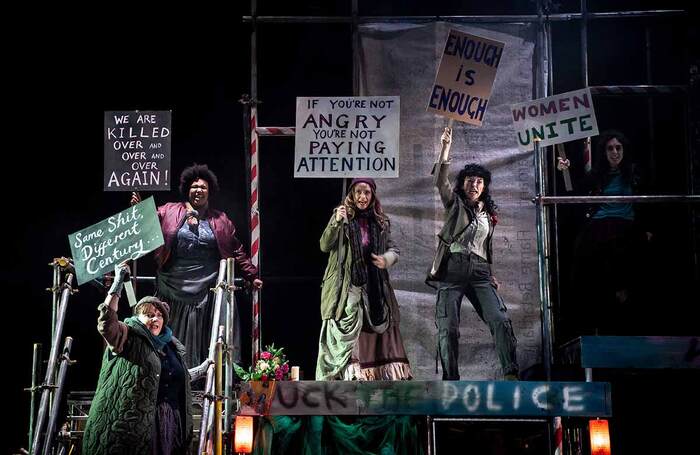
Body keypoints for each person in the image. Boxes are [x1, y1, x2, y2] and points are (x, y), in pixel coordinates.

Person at [132, 163, 262, 368]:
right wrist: (138, 211)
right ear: (187, 190)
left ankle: (203, 379)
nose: (198, 190)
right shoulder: (168, 211)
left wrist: (251, 275)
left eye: (203, 187)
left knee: (206, 335)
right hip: (173, 284)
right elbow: (145, 226)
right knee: (169, 335)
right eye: (194, 187)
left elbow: (236, 249)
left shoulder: (221, 220)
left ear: (210, 191)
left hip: (207, 287)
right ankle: (168, 374)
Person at [427, 127, 519, 380]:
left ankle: (511, 373)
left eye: (479, 182)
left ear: (484, 187)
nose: (474, 185)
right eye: (470, 181)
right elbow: (439, 181)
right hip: (452, 268)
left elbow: (484, 247)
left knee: (500, 319)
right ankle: (451, 381)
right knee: (449, 329)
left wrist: (490, 273)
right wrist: (445, 147)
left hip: (479, 271)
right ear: (463, 184)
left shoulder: (488, 214)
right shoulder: (455, 204)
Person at [83, 264, 199, 455]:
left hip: (169, 425)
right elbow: (107, 322)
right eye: (150, 315)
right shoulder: (127, 336)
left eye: (160, 315)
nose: (156, 319)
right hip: (133, 426)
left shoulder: (171, 346)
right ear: (138, 317)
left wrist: (206, 366)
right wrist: (118, 282)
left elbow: (178, 376)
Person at [315, 178, 412, 380]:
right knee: (350, 315)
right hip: (347, 282)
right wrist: (336, 222)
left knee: (378, 322)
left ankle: (374, 374)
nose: (362, 197)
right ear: (352, 194)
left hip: (374, 282)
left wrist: (386, 259)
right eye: (358, 192)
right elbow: (324, 245)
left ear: (372, 195)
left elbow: (394, 249)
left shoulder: (380, 222)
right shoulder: (342, 217)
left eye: (367, 193)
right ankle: (350, 373)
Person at [557, 130, 651, 334]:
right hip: (600, 226)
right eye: (610, 148)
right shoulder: (597, 174)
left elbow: (648, 203)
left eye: (618, 148)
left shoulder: (635, 173)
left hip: (627, 226)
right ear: (604, 152)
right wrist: (565, 170)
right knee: (587, 262)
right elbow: (574, 192)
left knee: (632, 268)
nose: (615, 152)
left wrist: (646, 228)